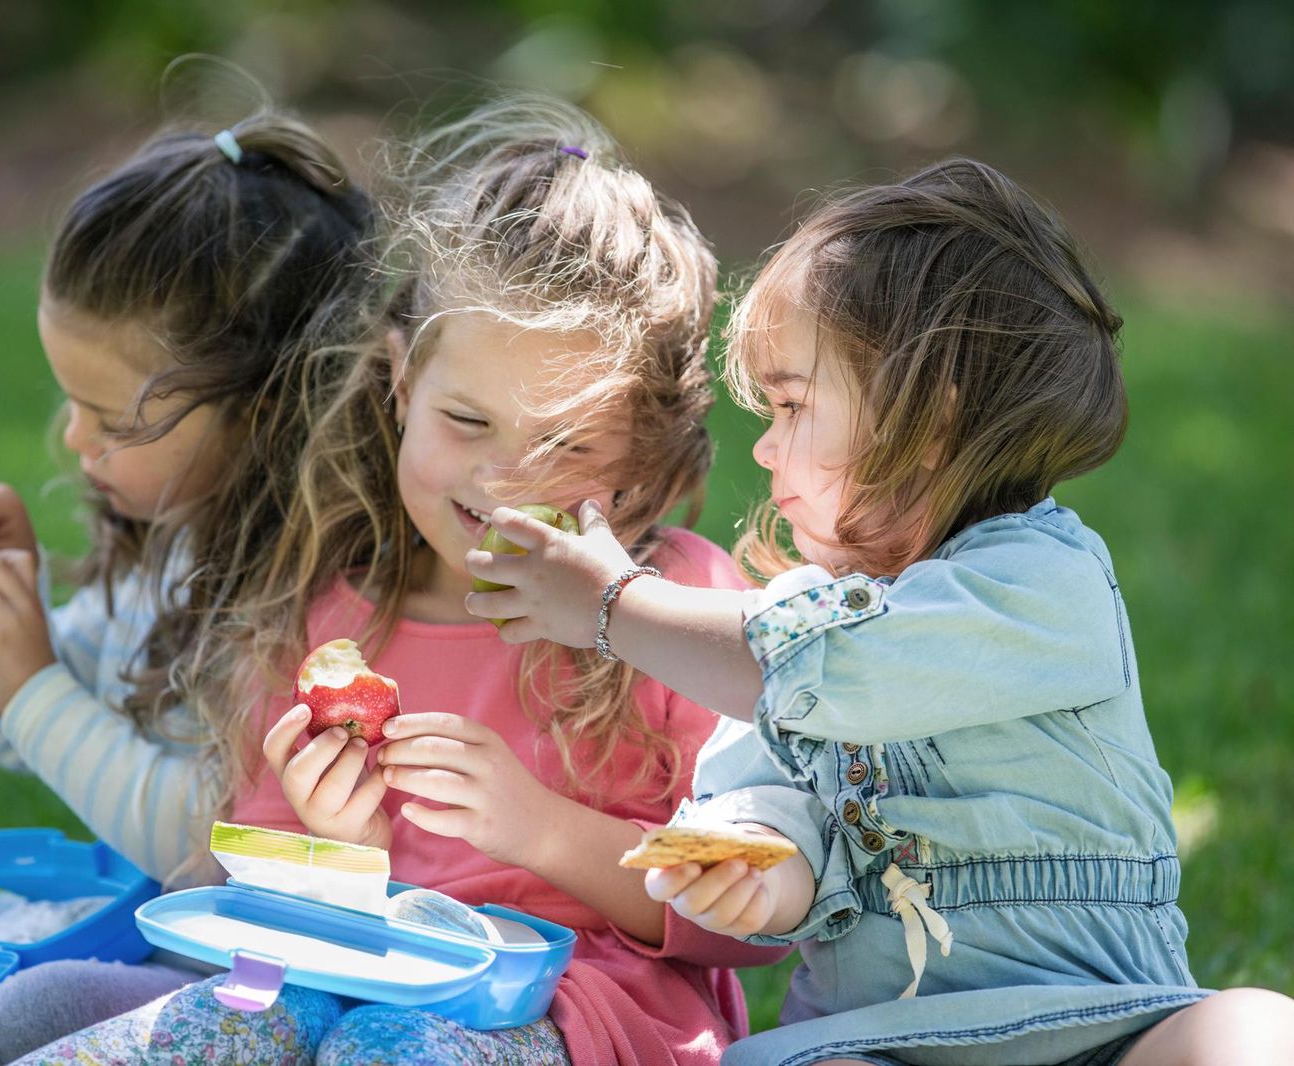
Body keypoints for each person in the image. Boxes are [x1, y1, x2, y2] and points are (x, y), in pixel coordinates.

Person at [462, 157, 1294, 1064]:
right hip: (876, 1045)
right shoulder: (796, 609)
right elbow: (763, 791)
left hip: (1100, 1027)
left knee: (1252, 1030)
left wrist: (612, 604)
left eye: (791, 405)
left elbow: (824, 670)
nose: (768, 448)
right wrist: (755, 866)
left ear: (927, 425)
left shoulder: (1045, 586)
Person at [20, 95, 788, 1066]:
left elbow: (753, 923)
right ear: (399, 382)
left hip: (578, 1013)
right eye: (466, 423)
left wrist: (540, 829)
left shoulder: (671, 610)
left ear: (642, 447)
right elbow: (256, 909)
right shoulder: (338, 619)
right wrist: (333, 836)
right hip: (325, 986)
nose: (504, 478)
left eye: (565, 443)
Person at [0, 104, 374, 1065]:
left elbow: (199, 847)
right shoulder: (169, 539)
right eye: (71, 403)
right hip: (123, 913)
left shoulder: (313, 608)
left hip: (224, 962)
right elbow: (41, 737)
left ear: (266, 414)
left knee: (32, 1012)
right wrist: (2, 629)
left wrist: (32, 686)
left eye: (113, 419)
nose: (72, 440)